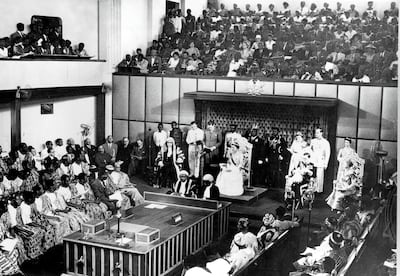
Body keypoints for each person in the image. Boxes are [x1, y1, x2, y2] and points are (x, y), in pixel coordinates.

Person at [311, 129, 331, 193]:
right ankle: (312, 189)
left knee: (319, 176)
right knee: (313, 176)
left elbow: (327, 153)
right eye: (316, 133)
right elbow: (310, 150)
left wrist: (326, 163)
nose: (316, 134)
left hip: (321, 161)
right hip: (313, 161)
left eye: (318, 133)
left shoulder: (325, 142)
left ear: (321, 133)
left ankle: (319, 190)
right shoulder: (313, 141)